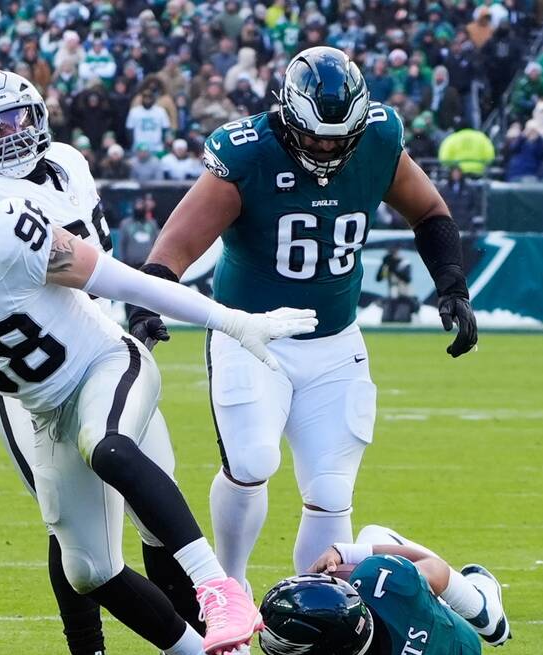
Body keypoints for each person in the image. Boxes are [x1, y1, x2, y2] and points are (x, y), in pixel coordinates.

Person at [0, 132, 315, 655]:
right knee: (89, 568)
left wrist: (229, 321)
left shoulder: (4, 234)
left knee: (108, 447)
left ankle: (217, 591)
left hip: (104, 365)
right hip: (44, 410)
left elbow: (123, 281)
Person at [131, 47, 478, 621]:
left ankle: (313, 613)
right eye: (314, 135)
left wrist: (452, 285)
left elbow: (430, 212)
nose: (326, 147)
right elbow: (180, 241)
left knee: (333, 489)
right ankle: (228, 596)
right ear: (288, 115)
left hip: (336, 341)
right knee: (252, 460)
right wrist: (151, 297)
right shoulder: (247, 153)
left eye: (337, 136)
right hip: (253, 336)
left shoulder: (378, 138)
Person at [0, 69, 193, 655]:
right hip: (28, 377)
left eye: (20, 119)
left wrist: (137, 312)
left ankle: (184, 649)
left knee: (157, 498)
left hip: (99, 346)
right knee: (76, 532)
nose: (13, 135)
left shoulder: (66, 163)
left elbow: (98, 258)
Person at [225, 525, 508, 655]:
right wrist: (346, 553)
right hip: (464, 647)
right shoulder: (384, 584)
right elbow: (438, 569)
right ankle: (481, 609)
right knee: (372, 536)